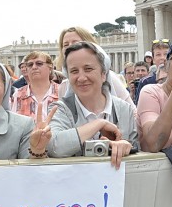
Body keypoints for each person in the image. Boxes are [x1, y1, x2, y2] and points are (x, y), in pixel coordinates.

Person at [47, 42, 138, 170]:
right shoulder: (60, 109)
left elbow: (136, 148)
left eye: (88, 69)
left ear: (103, 74)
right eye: (74, 71)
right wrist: (99, 124)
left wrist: (126, 147)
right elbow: (55, 147)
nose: (81, 77)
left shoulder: (124, 109)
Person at [55, 26, 132, 104]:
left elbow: (132, 111)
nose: (70, 46)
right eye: (65, 45)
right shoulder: (63, 86)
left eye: (75, 43)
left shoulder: (111, 78)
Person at [11, 51, 61, 121]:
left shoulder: (62, 91)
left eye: (39, 63)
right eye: (30, 65)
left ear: (50, 67)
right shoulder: (17, 95)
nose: (34, 67)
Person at [135, 39, 170, 104]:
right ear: (153, 59)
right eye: (158, 55)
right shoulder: (145, 82)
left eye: (166, 54)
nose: (162, 58)